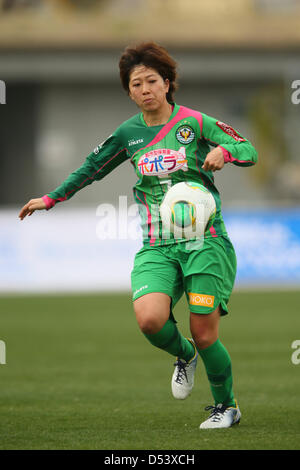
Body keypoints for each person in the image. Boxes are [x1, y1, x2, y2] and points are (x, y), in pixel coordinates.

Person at [19, 42, 258, 429]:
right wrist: (51, 198)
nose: (144, 89)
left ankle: (226, 406)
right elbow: (91, 168)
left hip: (204, 242)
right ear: (129, 92)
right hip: (157, 245)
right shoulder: (128, 134)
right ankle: (184, 356)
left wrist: (225, 154)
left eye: (151, 80)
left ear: (167, 83)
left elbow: (247, 148)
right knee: (149, 320)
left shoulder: (195, 123)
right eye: (135, 84)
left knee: (204, 331)